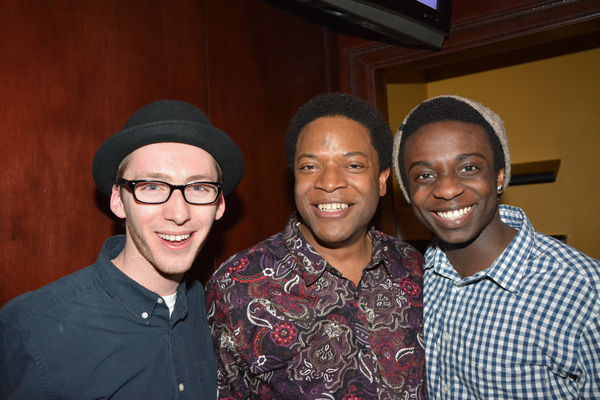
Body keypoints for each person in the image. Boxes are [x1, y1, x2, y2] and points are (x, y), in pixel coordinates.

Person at [0, 99, 245, 399]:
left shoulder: (214, 310)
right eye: (152, 187)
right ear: (118, 200)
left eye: (198, 188)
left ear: (219, 205)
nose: (179, 213)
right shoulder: (32, 331)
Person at [206, 92, 427, 399]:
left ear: (381, 178)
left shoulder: (414, 266)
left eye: (353, 165)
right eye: (310, 167)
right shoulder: (236, 287)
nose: (329, 182)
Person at [392, 94, 600, 399]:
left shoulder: (584, 291)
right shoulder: (411, 280)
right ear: (409, 194)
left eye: (468, 168)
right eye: (424, 175)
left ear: (500, 176)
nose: (447, 189)